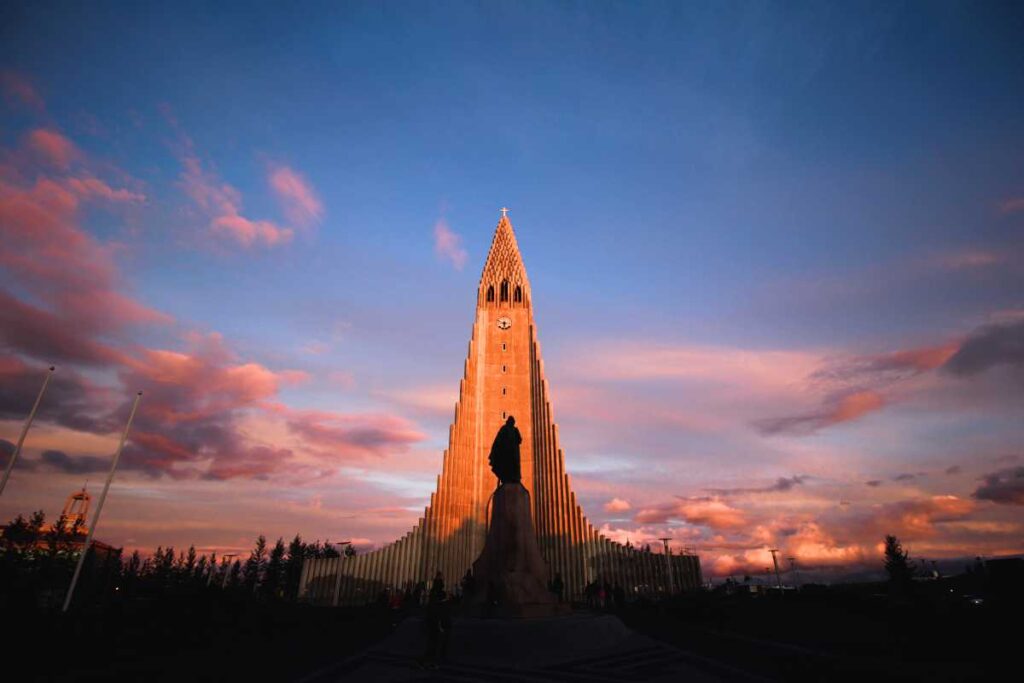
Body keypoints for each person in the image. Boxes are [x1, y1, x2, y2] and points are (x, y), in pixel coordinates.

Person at [488, 416, 522, 485]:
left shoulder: (508, 429)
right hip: (508, 454)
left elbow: (519, 440)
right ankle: (509, 478)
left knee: (511, 468)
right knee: (508, 467)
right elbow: (498, 441)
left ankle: (512, 478)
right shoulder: (508, 429)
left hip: (511, 455)